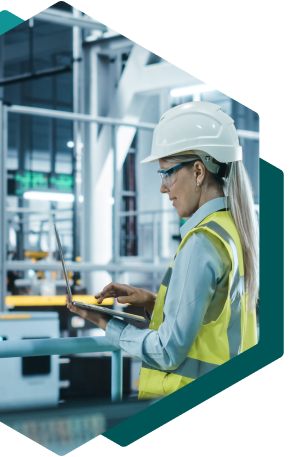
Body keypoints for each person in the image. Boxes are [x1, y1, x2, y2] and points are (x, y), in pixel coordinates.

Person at [66, 101, 259, 399]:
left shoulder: (201, 241)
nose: (163, 187)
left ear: (198, 171)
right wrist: (152, 302)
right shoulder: (234, 230)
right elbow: (218, 318)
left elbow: (168, 352)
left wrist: (107, 324)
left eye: (167, 173)